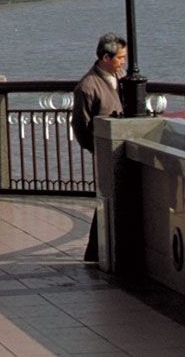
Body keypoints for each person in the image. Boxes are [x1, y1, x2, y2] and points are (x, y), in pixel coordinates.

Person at [72, 32, 126, 263]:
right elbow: (81, 126)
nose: (123, 62)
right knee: (108, 200)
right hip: (106, 151)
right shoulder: (87, 87)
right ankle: (96, 251)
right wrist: (97, 148)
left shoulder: (121, 78)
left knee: (114, 200)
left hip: (123, 148)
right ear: (106, 57)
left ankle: (98, 251)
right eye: (120, 57)